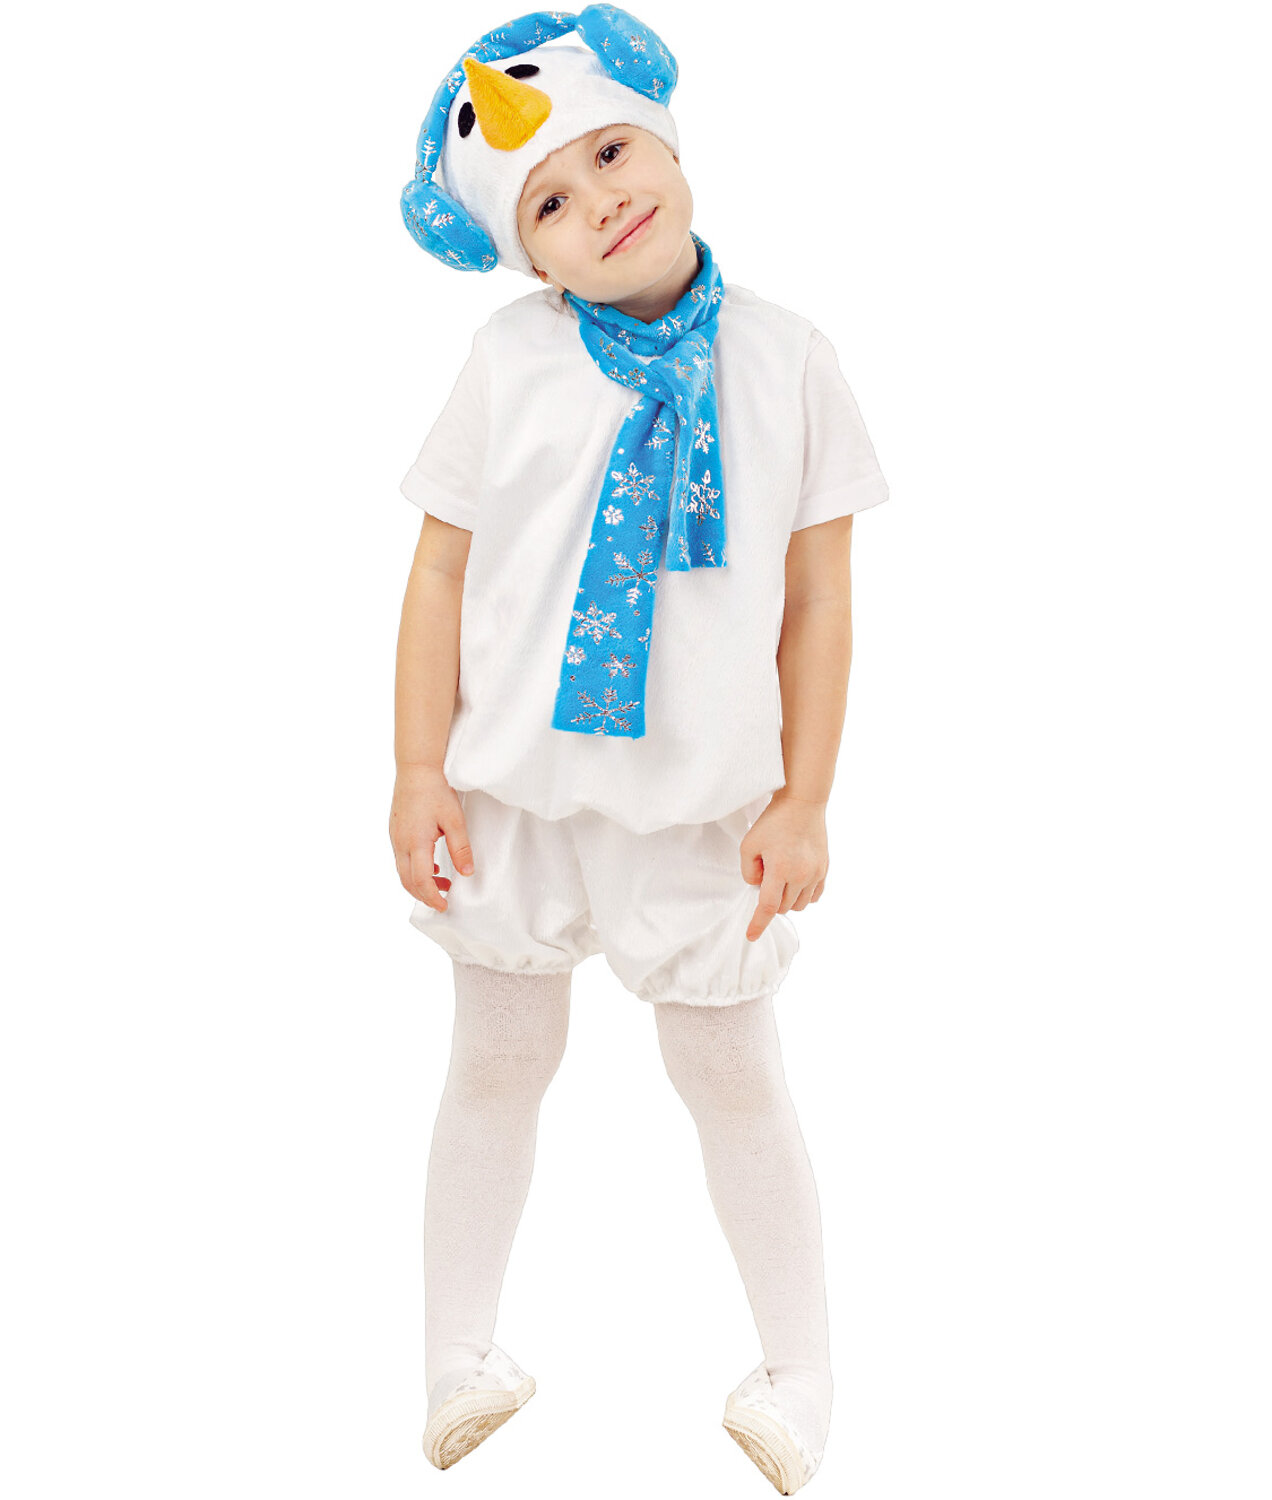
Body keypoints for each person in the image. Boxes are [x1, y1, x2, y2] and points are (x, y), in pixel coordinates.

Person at [390, 9, 889, 1493]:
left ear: (666, 142)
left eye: (611, 152)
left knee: (730, 1071)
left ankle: (799, 1372)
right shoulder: (509, 361)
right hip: (514, 798)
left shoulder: (790, 359)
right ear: (528, 258)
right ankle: (455, 1355)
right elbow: (437, 571)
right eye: (548, 200)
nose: (599, 198)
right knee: (496, 1057)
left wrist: (806, 798)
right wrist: (417, 767)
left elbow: (819, 599)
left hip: (702, 805)